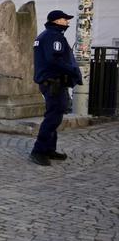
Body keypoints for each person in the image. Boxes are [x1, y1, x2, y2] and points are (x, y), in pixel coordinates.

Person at [30, 10, 82, 166]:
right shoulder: (54, 36)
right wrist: (72, 70)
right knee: (53, 117)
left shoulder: (44, 35)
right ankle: (38, 151)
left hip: (51, 82)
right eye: (65, 20)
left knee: (55, 116)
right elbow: (54, 60)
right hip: (54, 83)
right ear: (58, 21)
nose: (67, 22)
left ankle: (49, 149)